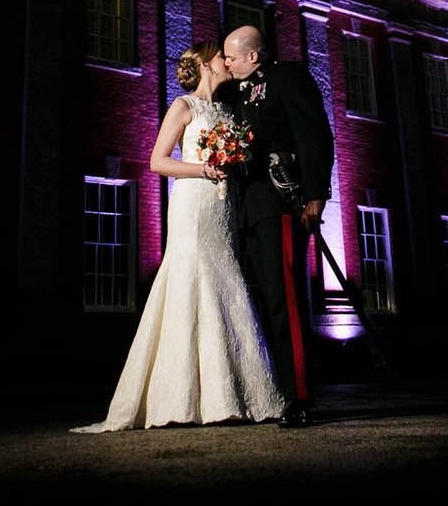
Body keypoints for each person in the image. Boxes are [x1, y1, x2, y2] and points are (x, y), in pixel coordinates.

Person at [72, 41, 286, 432]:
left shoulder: (227, 110)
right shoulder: (183, 106)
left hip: (222, 204)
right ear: (206, 65)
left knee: (225, 277)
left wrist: (233, 162)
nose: (226, 60)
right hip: (193, 202)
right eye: (220, 57)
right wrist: (203, 169)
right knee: (191, 276)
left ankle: (231, 395)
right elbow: (158, 161)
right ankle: (180, 395)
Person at [220, 25, 334, 428]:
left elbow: (314, 135)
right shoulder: (231, 92)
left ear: (254, 56)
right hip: (248, 208)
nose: (227, 62)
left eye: (231, 56)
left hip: (280, 200)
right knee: (263, 299)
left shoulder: (287, 78)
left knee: (283, 298)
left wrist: (316, 194)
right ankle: (273, 389)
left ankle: (299, 395)